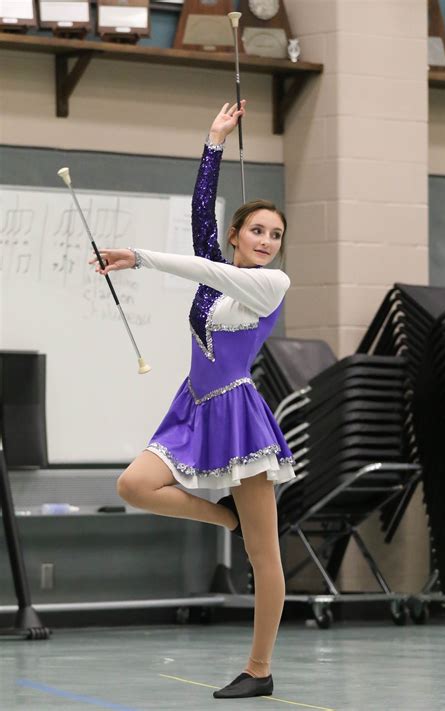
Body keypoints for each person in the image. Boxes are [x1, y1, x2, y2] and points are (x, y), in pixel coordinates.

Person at [89, 101, 296, 699]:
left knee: (265, 555)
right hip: (193, 407)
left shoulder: (269, 284)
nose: (266, 241)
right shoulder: (215, 266)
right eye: (256, 230)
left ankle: (259, 669)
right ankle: (222, 517)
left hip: (238, 415)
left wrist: (141, 256)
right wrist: (213, 142)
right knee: (134, 485)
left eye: (275, 236)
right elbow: (200, 212)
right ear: (236, 236)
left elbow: (199, 266)